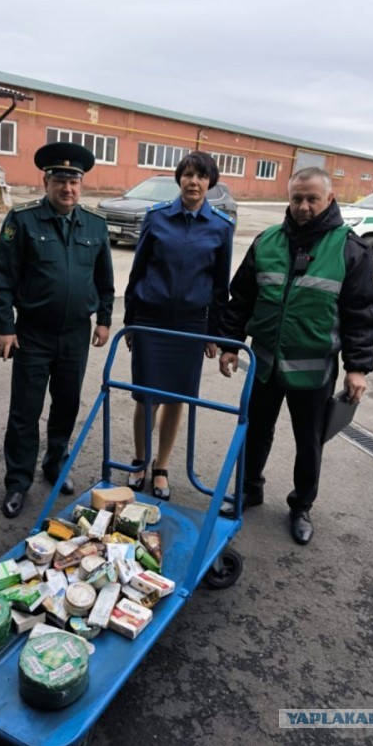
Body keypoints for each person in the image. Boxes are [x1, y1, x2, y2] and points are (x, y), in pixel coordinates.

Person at [218, 167, 373, 545]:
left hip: (314, 370)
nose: (304, 206)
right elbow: (241, 298)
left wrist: (358, 367)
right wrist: (229, 344)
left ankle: (301, 505)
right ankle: (249, 490)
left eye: (312, 199)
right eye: (297, 198)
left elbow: (362, 313)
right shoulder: (267, 242)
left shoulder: (349, 249)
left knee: (309, 442)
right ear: (289, 199)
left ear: (330, 199)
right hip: (263, 364)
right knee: (254, 431)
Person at [0, 142, 114, 519]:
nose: (67, 188)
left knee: (67, 405)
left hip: (76, 335)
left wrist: (104, 318)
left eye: (74, 181)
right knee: (25, 410)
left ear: (81, 184)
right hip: (32, 333)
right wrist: (5, 327)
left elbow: (105, 279)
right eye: (60, 180)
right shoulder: (22, 220)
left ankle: (56, 464)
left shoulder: (95, 224)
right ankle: (18, 481)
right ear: (46, 182)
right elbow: (2, 279)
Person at [124, 151, 235, 501]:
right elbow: (138, 271)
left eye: (201, 176)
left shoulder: (221, 226)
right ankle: (139, 461)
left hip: (190, 325)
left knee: (176, 398)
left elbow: (220, 286)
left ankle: (162, 466)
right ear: (179, 179)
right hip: (151, 321)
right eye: (188, 175)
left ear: (210, 182)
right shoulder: (156, 218)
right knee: (146, 396)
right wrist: (130, 321)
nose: (194, 182)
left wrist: (213, 332)